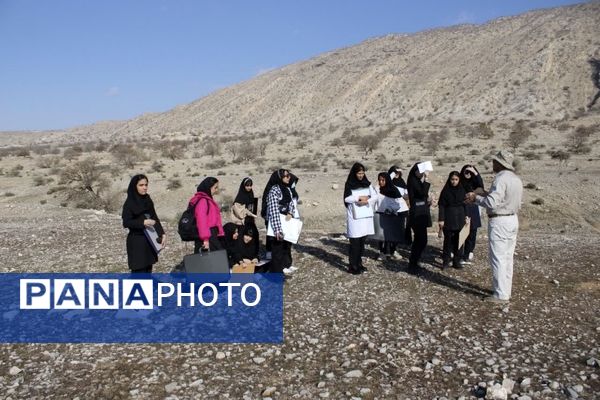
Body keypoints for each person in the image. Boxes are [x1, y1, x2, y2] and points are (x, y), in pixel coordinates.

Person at [465, 150, 523, 303]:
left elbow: (491, 203)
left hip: (500, 221)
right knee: (507, 257)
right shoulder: (516, 179)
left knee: (497, 257)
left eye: (495, 161)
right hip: (512, 219)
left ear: (499, 163)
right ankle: (505, 290)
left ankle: (500, 294)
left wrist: (475, 198)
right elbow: (502, 199)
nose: (493, 164)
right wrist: (484, 193)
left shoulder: (500, 179)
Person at [122, 174, 165, 273]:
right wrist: (143, 222)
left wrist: (162, 234)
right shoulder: (129, 202)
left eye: (146, 185)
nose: (144, 187)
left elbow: (154, 217)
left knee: (148, 270)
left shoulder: (147, 199)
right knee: (138, 272)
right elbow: (126, 222)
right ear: (134, 186)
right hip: (137, 241)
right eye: (141, 185)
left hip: (150, 239)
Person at [344, 162, 378, 275]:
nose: (361, 175)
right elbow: (346, 199)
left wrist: (367, 200)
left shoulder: (367, 184)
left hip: (365, 217)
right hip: (355, 218)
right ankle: (352, 266)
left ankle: (359, 263)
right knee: (355, 243)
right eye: (359, 173)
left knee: (362, 242)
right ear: (354, 173)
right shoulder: (349, 184)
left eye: (362, 173)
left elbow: (375, 196)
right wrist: (358, 198)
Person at [266, 169, 296, 274]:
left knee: (286, 245)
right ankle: (276, 272)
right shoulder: (274, 190)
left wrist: (290, 212)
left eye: (289, 176)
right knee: (277, 248)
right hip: (278, 222)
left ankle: (286, 264)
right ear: (280, 177)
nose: (289, 178)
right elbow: (273, 210)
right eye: (286, 176)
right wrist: (277, 229)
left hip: (287, 220)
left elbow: (292, 203)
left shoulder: (287, 189)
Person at [406, 162, 435, 271]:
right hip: (416, 215)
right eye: (420, 171)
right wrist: (426, 180)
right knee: (421, 240)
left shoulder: (416, 181)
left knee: (420, 240)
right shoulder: (413, 181)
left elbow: (420, 196)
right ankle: (412, 263)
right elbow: (422, 192)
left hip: (420, 213)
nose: (422, 173)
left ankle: (414, 262)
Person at [438, 171, 467, 269]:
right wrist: (441, 219)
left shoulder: (462, 190)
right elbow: (441, 205)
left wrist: (467, 216)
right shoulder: (446, 191)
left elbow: (466, 204)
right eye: (452, 179)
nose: (454, 182)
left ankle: (456, 261)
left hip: (460, 217)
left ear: (459, 180)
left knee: (460, 240)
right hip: (449, 217)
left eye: (456, 179)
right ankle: (446, 261)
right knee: (448, 241)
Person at [188, 177, 225, 253]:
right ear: (209, 187)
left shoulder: (207, 199)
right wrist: (205, 239)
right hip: (207, 234)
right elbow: (202, 221)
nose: (216, 190)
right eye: (215, 187)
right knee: (217, 257)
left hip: (210, 233)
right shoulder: (203, 201)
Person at [374, 172, 403, 260]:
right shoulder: (376, 190)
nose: (381, 182)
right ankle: (382, 253)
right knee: (381, 237)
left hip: (391, 215)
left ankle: (392, 251)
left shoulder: (393, 190)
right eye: (379, 180)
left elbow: (398, 203)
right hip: (380, 214)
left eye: (383, 180)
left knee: (392, 236)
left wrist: (390, 209)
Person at [460, 164, 484, 264]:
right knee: (462, 232)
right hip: (463, 209)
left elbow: (481, 186)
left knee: (472, 232)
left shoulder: (475, 182)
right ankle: (458, 254)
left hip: (473, 208)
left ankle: (468, 252)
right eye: (466, 171)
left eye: (470, 171)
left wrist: (475, 173)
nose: (468, 173)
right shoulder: (460, 181)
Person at [231, 177, 260, 256]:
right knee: (241, 239)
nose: (249, 187)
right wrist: (248, 213)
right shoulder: (240, 197)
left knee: (253, 236)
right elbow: (239, 213)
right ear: (243, 186)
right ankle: (241, 257)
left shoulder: (250, 194)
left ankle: (252, 255)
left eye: (250, 185)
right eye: (247, 186)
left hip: (250, 221)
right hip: (241, 223)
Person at [389, 165, 412, 247]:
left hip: (403, 207)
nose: (397, 174)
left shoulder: (401, 182)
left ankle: (405, 241)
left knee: (404, 225)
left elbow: (406, 194)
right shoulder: (389, 183)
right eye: (395, 173)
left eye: (399, 173)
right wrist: (393, 172)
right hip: (392, 207)